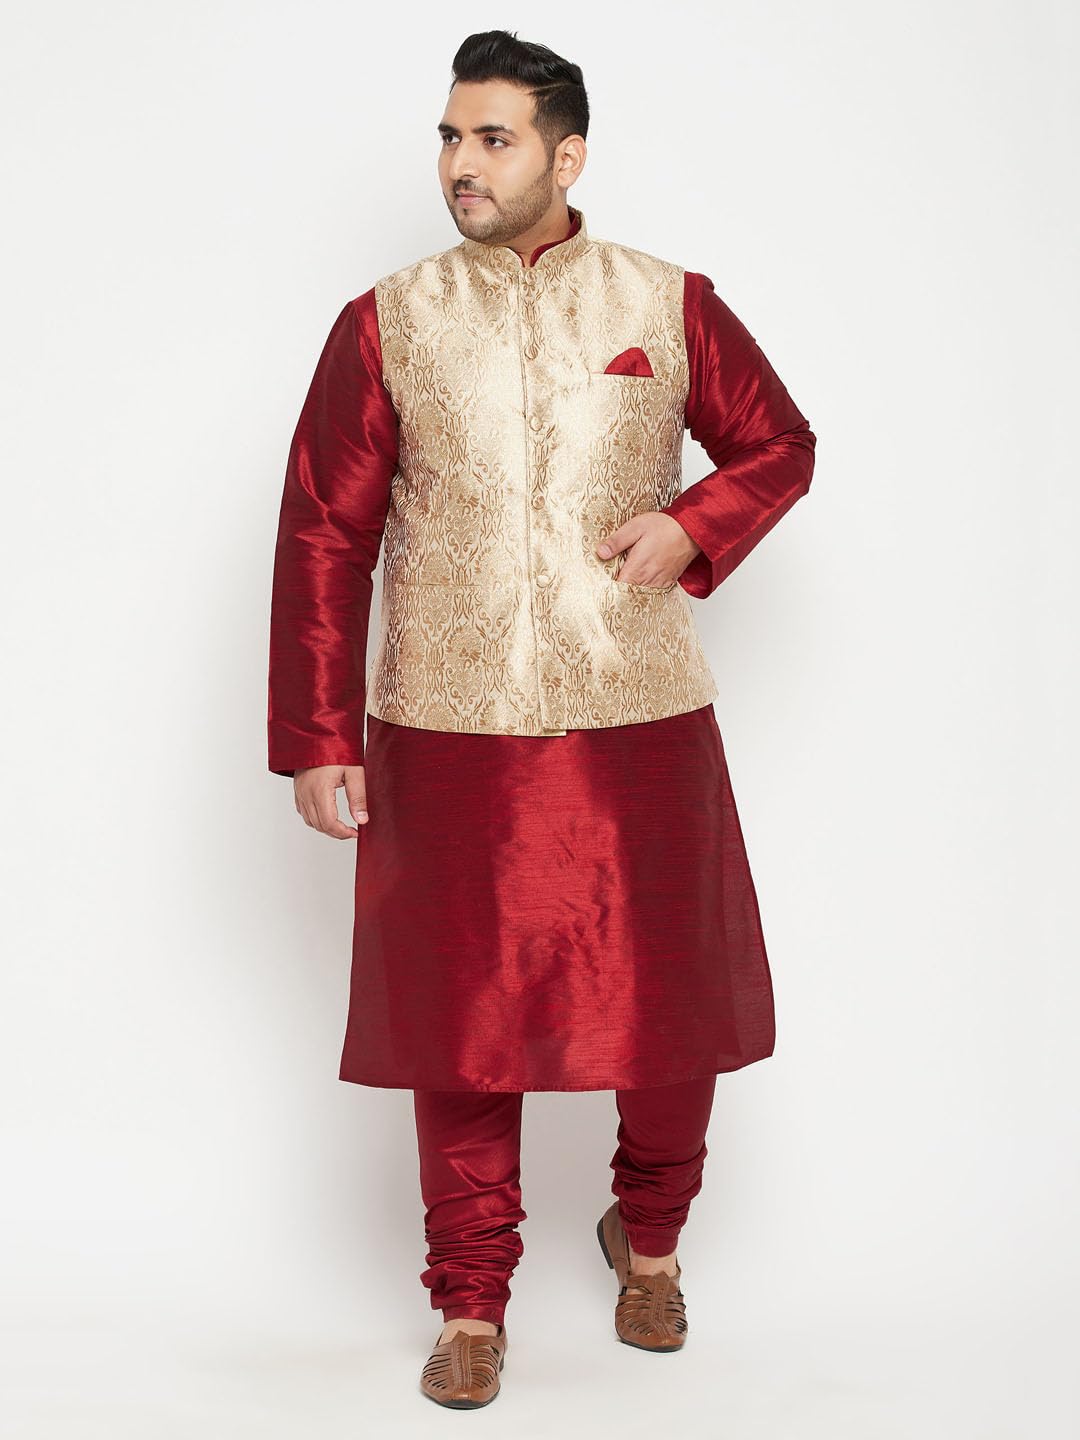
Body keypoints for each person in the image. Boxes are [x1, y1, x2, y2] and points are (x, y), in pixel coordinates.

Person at [267, 29, 816, 1409]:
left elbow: (779, 444)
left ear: (567, 157)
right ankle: (470, 1303)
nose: (462, 164)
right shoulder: (389, 320)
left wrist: (693, 524)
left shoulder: (665, 300)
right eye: (451, 138)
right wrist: (320, 733)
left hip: (637, 709)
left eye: (493, 139)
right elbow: (325, 529)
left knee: (670, 1014)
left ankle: (653, 1243)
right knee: (461, 1029)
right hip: (445, 722)